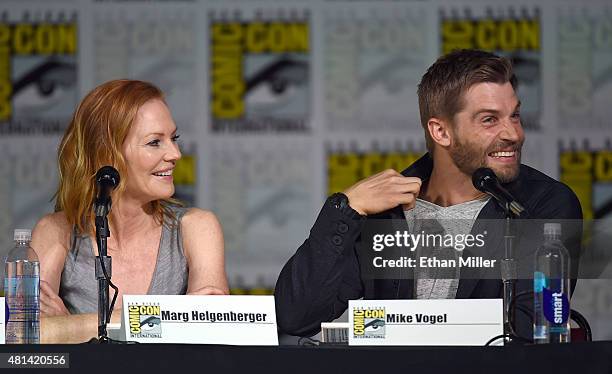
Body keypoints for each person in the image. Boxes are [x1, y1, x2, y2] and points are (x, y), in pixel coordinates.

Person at [275, 49, 582, 339]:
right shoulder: (386, 209)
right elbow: (297, 317)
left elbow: (534, 328)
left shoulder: (542, 204)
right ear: (441, 132)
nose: (514, 134)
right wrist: (345, 209)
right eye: (490, 119)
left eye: (514, 115)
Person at [32, 79, 229, 343]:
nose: (176, 154)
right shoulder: (55, 230)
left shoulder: (197, 227)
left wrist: (71, 325)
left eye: (174, 138)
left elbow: (210, 326)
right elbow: (26, 331)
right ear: (107, 154)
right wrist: (170, 319)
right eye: (154, 142)